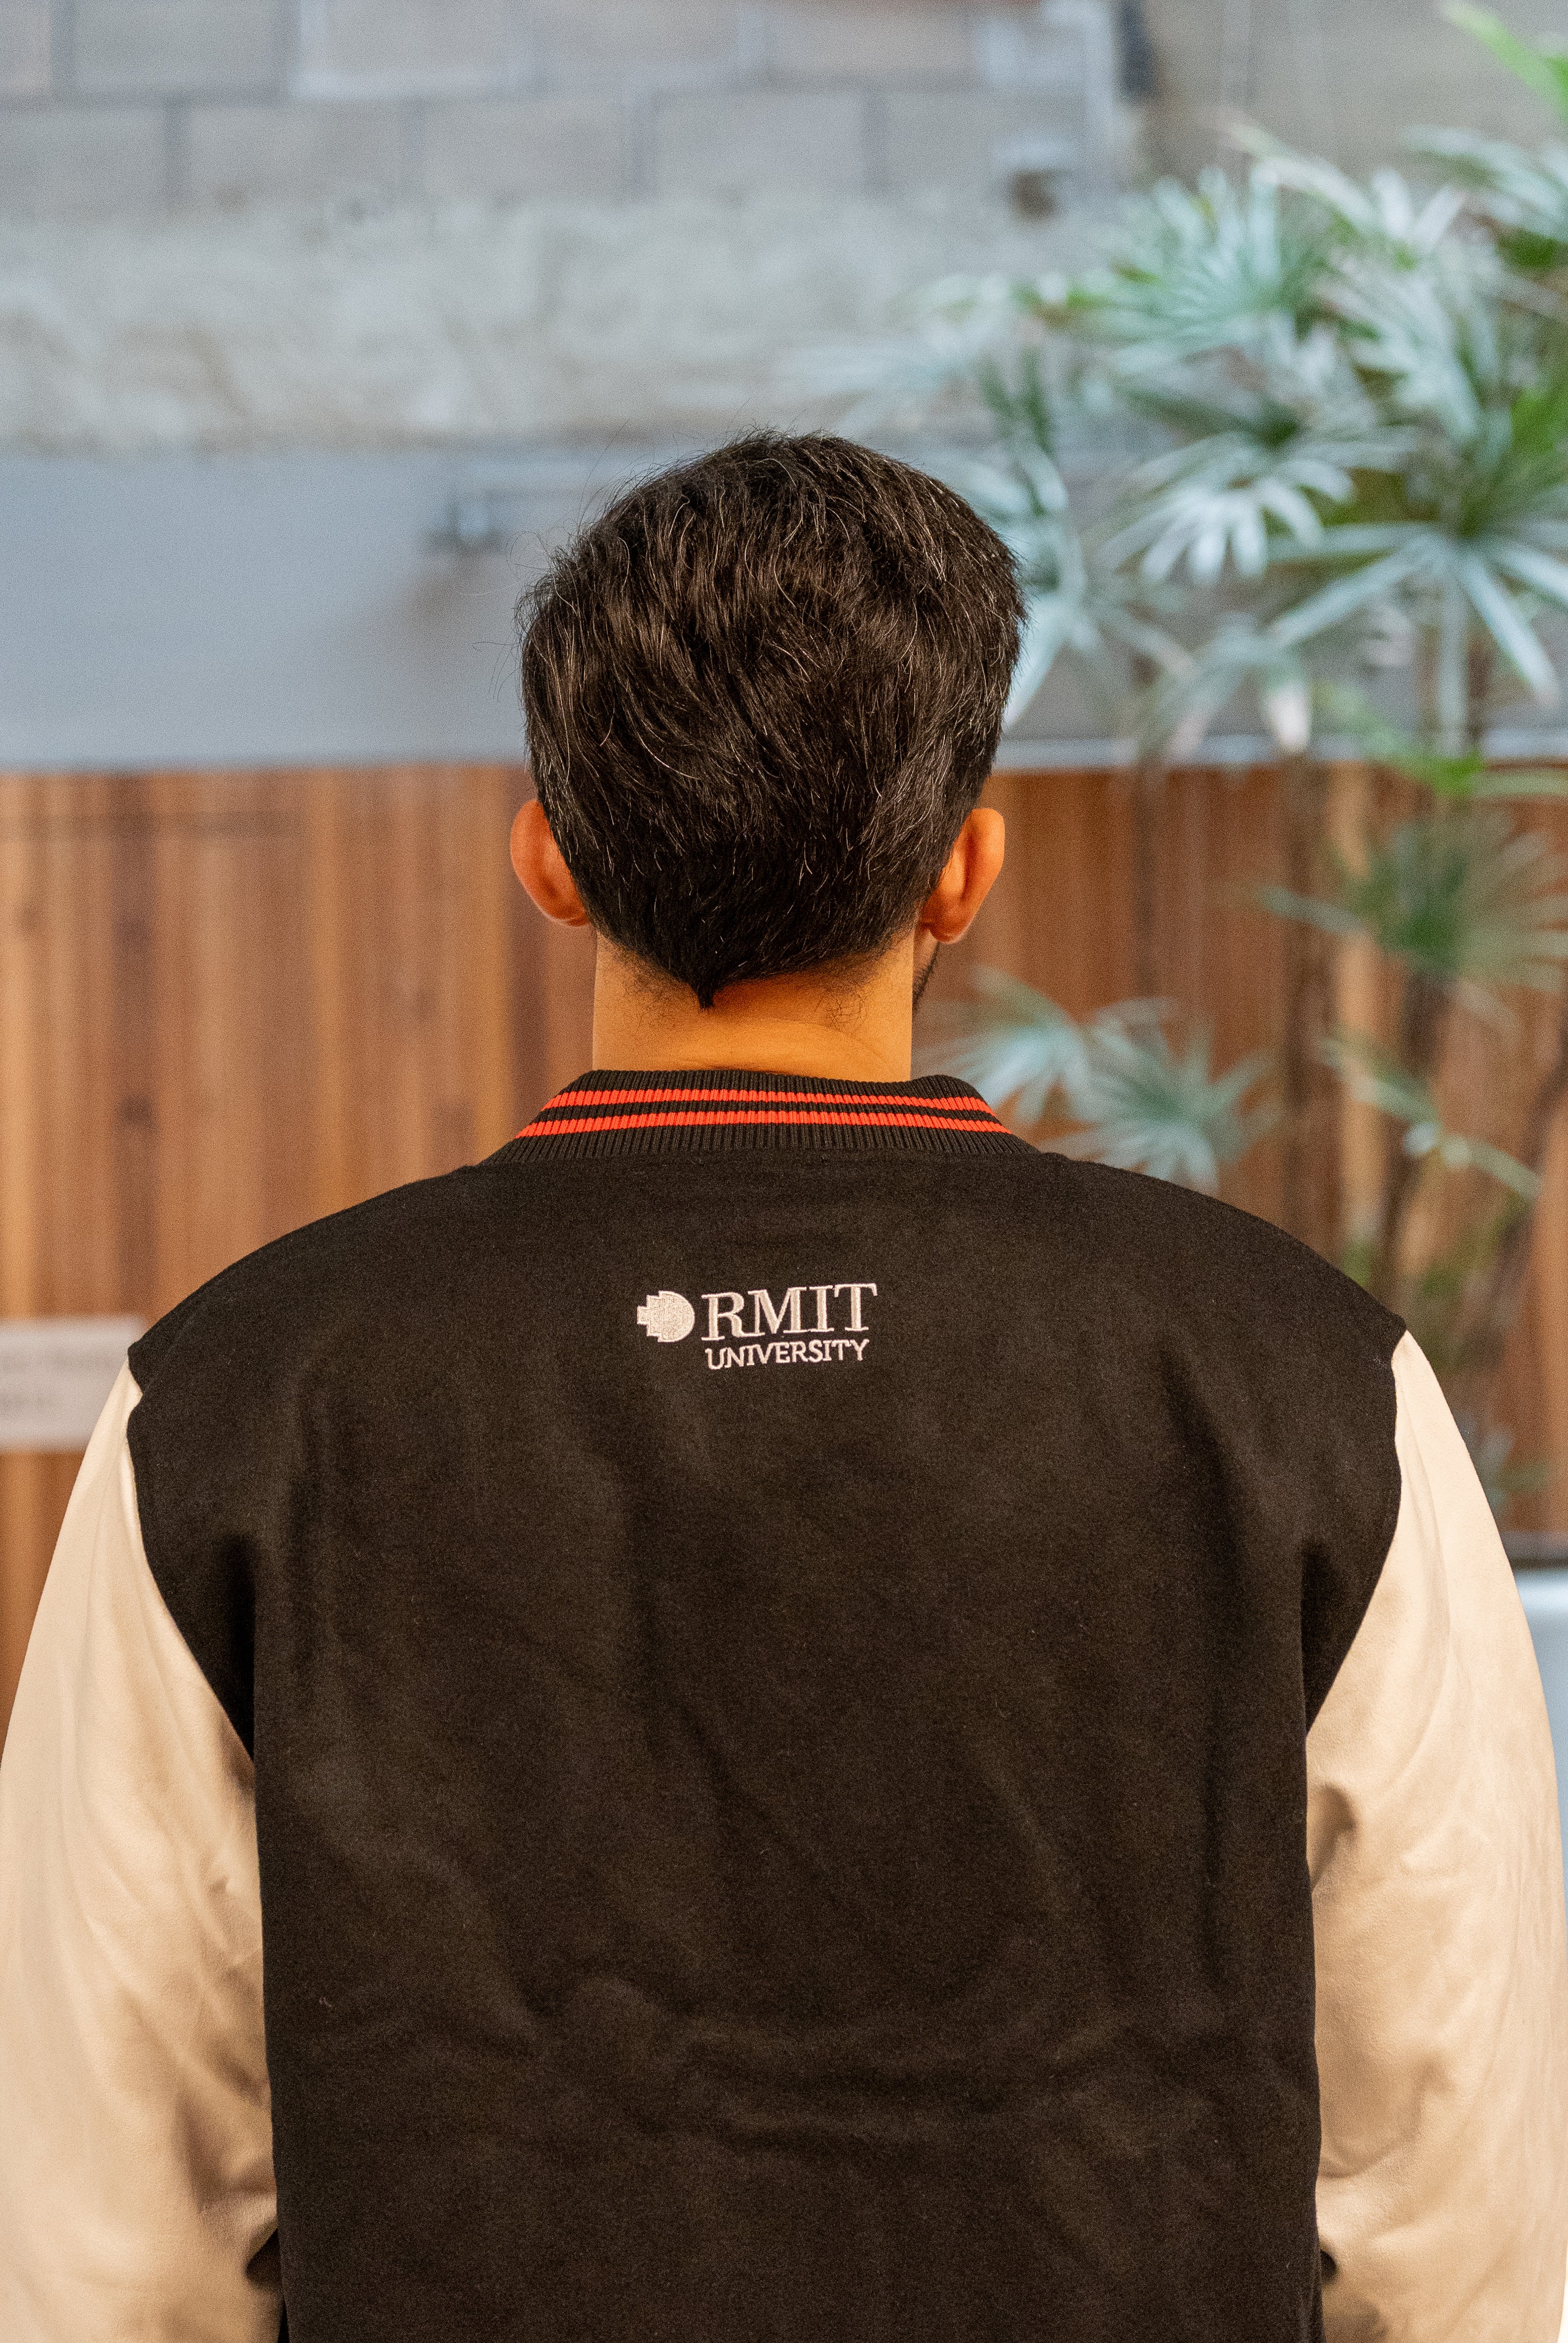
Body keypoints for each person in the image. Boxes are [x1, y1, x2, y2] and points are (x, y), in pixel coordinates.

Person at [1, 433, 1564, 2343]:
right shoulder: (1317, 1387)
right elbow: (1463, 2205)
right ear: (968, 869)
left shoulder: (228, 1409)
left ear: (550, 861)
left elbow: (100, 2244)